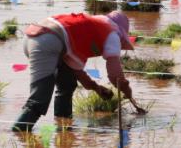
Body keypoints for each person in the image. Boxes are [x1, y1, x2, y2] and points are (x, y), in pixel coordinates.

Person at [13, 11, 144, 132]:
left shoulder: (89, 26)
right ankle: (17, 132)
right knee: (39, 98)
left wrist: (96, 88)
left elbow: (77, 71)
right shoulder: (112, 33)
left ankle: (64, 129)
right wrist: (127, 90)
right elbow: (115, 76)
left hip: (34, 38)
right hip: (47, 43)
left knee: (67, 83)